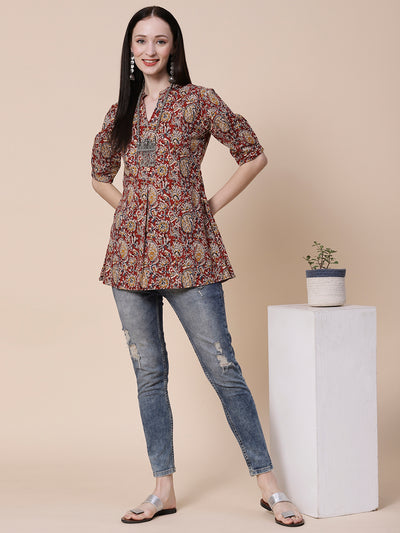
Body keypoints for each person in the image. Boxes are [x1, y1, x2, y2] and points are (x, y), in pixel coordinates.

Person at [91, 5, 304, 527]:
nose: (149, 50)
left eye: (159, 40)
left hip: (190, 254)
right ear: (130, 50)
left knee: (223, 369)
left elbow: (252, 154)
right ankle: (162, 488)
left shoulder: (198, 101)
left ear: (174, 47)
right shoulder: (121, 110)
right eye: (140, 41)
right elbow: (99, 174)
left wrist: (206, 207)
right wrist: (133, 212)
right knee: (149, 375)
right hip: (129, 263)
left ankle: (269, 486)